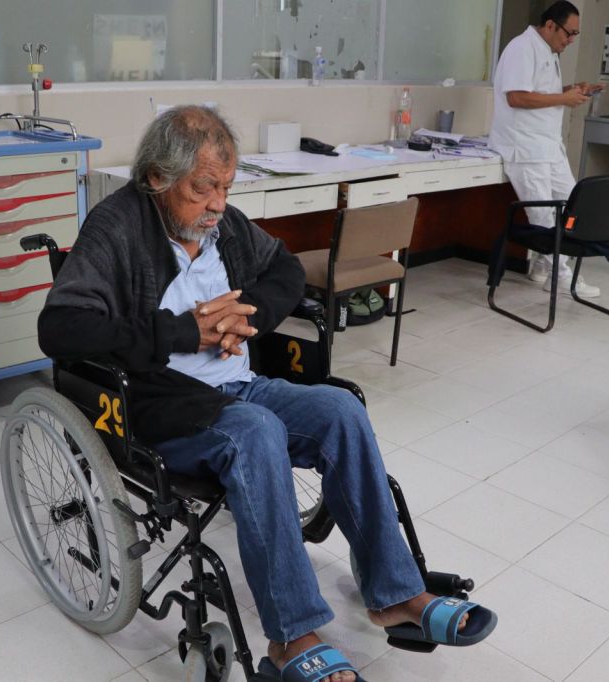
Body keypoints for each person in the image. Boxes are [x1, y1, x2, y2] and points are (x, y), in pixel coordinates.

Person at [38, 105, 496, 682]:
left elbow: (284, 270)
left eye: (226, 188)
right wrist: (184, 331)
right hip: (159, 405)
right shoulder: (117, 228)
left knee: (340, 409)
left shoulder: (222, 226)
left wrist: (244, 319)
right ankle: (292, 636)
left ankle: (396, 595)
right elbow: (61, 329)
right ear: (157, 177)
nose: (218, 205)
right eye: (203, 189)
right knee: (256, 432)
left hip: (239, 385)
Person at [490, 0, 604, 298]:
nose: (571, 40)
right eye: (569, 33)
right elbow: (516, 97)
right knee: (542, 214)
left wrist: (571, 90)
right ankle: (560, 276)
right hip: (525, 147)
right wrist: (564, 99)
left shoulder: (548, 51)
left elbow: (540, 93)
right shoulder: (522, 47)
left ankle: (543, 263)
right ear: (551, 25)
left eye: (576, 34)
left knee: (572, 203)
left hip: (548, 145)